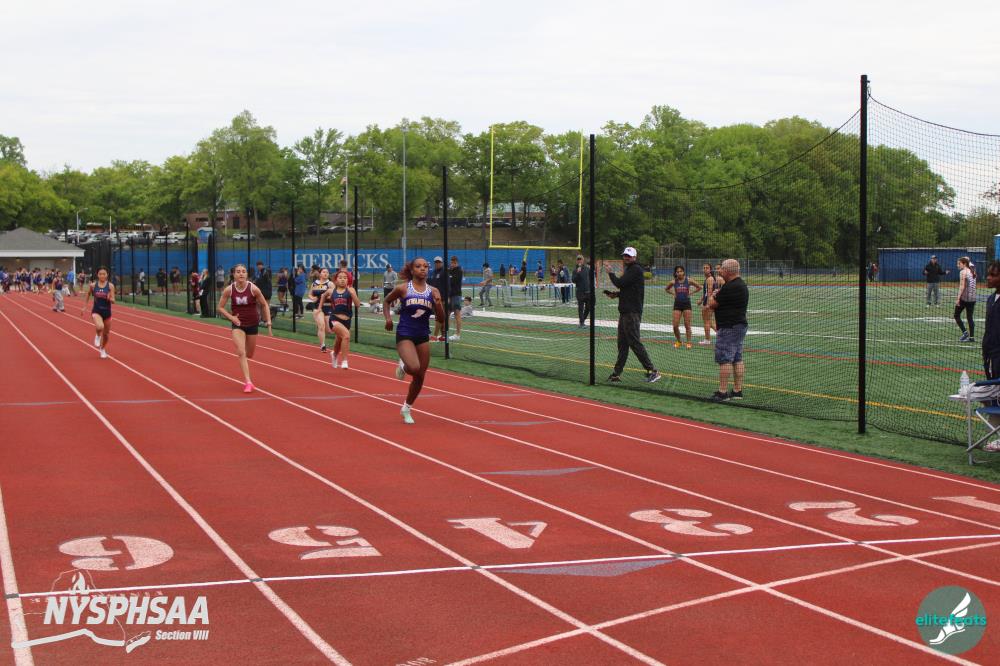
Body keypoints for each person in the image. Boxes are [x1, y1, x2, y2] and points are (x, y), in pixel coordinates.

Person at [384, 258, 446, 424]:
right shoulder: (403, 288)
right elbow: (387, 301)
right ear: (412, 270)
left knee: (420, 376)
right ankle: (403, 365)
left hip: (422, 335)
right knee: (413, 367)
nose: (423, 269)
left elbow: (441, 319)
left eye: (425, 266)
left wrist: (438, 303)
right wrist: (388, 318)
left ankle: (406, 408)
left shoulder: (433, 291)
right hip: (405, 333)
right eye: (418, 266)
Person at [604, 247, 660, 383]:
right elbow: (627, 289)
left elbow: (620, 283)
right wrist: (616, 295)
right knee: (622, 344)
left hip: (632, 312)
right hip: (626, 312)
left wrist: (611, 273)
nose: (626, 258)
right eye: (625, 255)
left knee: (634, 342)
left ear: (634, 257)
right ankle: (617, 373)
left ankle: (653, 371)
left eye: (629, 256)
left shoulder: (635, 269)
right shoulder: (630, 269)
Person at [217, 264, 272, 392]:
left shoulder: (253, 289)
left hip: (252, 324)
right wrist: (231, 318)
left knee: (250, 354)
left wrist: (268, 321)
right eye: (238, 271)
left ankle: (246, 371)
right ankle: (248, 382)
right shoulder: (229, 290)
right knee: (241, 352)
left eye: (243, 271)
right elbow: (220, 307)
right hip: (238, 324)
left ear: (247, 274)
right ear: (234, 274)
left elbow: (264, 305)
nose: (241, 274)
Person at [709, 259, 749, 402]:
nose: (719, 271)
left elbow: (712, 304)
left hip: (728, 327)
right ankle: (737, 391)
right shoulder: (741, 284)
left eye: (721, 269)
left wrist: (713, 294)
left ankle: (723, 392)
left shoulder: (730, 286)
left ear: (727, 271)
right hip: (739, 326)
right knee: (737, 358)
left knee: (725, 359)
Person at [978, 261, 1000, 452]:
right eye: (989, 274)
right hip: (990, 355)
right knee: (990, 395)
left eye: (993, 275)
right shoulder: (991, 299)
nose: (989, 278)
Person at [320, 270, 362, 369]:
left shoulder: (351, 290)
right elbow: (323, 295)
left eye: (345, 278)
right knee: (346, 336)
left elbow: (357, 305)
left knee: (339, 339)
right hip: (334, 319)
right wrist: (319, 308)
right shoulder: (331, 291)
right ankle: (344, 361)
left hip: (347, 320)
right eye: (340, 277)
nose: (342, 280)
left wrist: (353, 294)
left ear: (348, 280)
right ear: (336, 280)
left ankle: (334, 354)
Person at [81, 267, 115, 359]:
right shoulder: (93, 285)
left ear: (107, 275)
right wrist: (84, 307)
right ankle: (97, 335)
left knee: (106, 335)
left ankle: (102, 349)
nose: (102, 276)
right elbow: (88, 294)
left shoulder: (110, 286)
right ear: (97, 275)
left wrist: (110, 298)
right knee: (100, 327)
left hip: (107, 312)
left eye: (104, 274)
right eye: (100, 274)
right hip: (97, 311)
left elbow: (113, 300)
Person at [665, 265, 701, 349]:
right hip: (677, 304)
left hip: (686, 304)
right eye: (677, 272)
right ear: (675, 273)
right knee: (675, 325)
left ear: (683, 272)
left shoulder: (689, 280)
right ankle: (679, 341)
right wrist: (673, 293)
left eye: (681, 271)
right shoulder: (673, 282)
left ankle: (688, 342)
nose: (679, 273)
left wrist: (691, 293)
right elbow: (666, 289)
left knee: (687, 325)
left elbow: (699, 287)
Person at [308, 268, 333, 351]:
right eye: (324, 272)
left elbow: (334, 295)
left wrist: (327, 297)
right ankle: (323, 345)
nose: (325, 273)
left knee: (329, 330)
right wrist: (313, 298)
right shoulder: (314, 283)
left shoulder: (330, 284)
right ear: (320, 274)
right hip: (317, 307)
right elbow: (310, 294)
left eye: (327, 272)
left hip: (328, 307)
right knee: (321, 325)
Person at [955, 256, 977, 342]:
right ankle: (972, 337)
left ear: (964, 264)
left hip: (965, 298)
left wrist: (958, 298)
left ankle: (965, 333)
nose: (958, 265)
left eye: (959, 263)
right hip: (973, 298)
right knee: (970, 317)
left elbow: (962, 286)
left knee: (956, 315)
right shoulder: (972, 270)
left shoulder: (963, 272)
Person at [699, 263, 718, 345]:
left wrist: (707, 304)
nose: (705, 269)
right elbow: (706, 292)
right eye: (704, 267)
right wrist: (701, 300)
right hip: (709, 301)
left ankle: (707, 340)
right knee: (709, 321)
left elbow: (709, 292)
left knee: (706, 321)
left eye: (707, 268)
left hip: (709, 302)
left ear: (710, 269)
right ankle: (721, 334)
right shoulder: (708, 278)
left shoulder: (710, 279)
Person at [446, 256, 464, 341]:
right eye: (451, 263)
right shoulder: (449, 271)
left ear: (457, 263)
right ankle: (445, 333)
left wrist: (449, 278)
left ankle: (457, 334)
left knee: (457, 313)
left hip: (456, 295)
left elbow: (453, 281)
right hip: (449, 295)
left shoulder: (459, 271)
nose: (452, 264)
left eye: (454, 263)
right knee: (447, 314)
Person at [572, 254, 593, 327]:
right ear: (576, 261)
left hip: (588, 292)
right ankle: (581, 323)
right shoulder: (575, 270)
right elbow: (573, 280)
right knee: (581, 308)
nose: (579, 261)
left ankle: (582, 320)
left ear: (583, 260)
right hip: (580, 292)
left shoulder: (587, 269)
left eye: (580, 259)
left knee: (588, 307)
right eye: (578, 259)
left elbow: (590, 279)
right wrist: (578, 273)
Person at [429, 257, 446, 341]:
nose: (437, 264)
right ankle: (443, 335)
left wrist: (446, 297)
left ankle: (435, 336)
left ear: (442, 263)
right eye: (436, 262)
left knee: (439, 317)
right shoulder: (433, 273)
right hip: (434, 298)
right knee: (440, 317)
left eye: (439, 262)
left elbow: (448, 286)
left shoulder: (444, 272)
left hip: (441, 298)